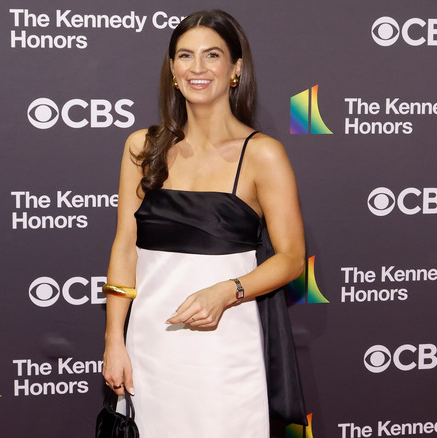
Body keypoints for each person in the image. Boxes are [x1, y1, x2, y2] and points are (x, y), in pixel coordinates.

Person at [102, 10, 305, 437]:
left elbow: (291, 258)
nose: (197, 68)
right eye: (184, 56)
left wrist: (227, 291)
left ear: (235, 69)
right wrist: (114, 340)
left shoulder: (262, 154)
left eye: (211, 55)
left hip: (226, 345)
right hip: (149, 345)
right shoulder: (143, 147)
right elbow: (125, 245)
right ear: (172, 71)